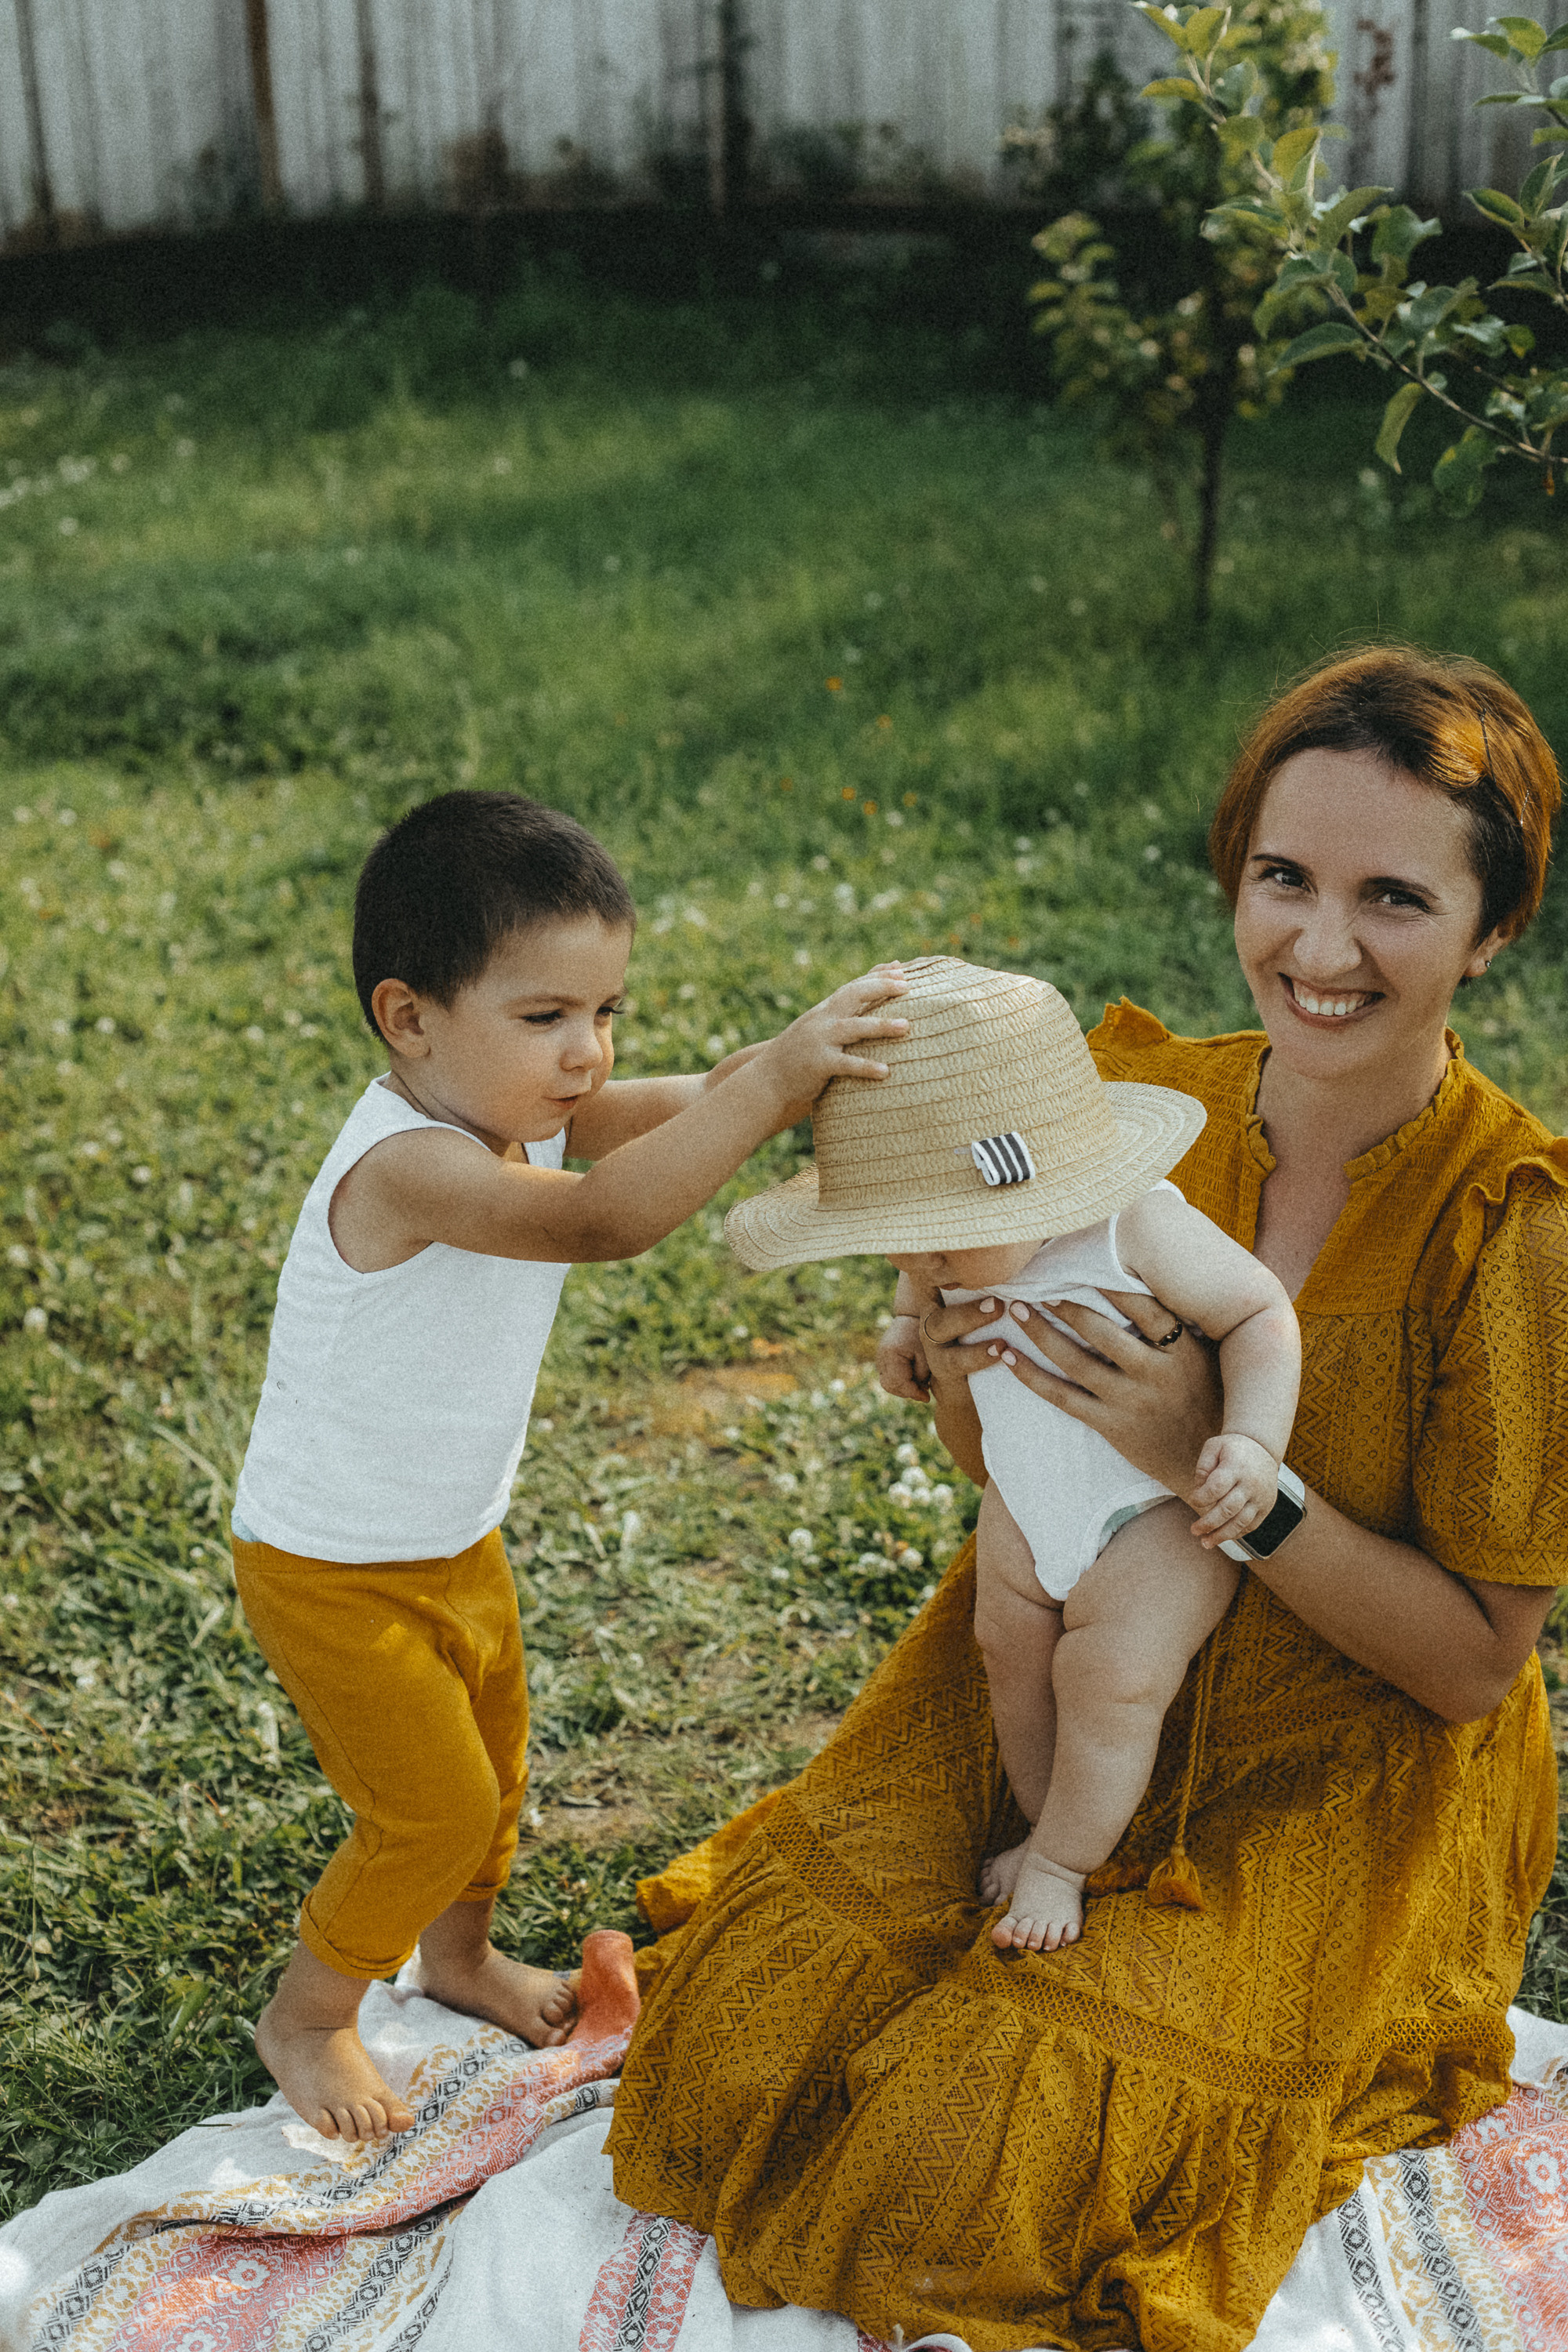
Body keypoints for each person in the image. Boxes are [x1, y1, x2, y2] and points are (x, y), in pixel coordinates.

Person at [608, 647, 1567, 2352]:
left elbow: (1472, 1671)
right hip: (1045, 1651)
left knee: (968, 2156)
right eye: (1283, 879)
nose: (1319, 950)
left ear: (1493, 932)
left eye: (1394, 900)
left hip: (1333, 1751)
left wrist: (1234, 1468)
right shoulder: (1129, 1110)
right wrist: (953, 1358)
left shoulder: (1515, 1223)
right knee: (739, 2040)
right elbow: (1002, 1467)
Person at [229, 789, 909, 2145]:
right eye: (547, 1019)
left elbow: (693, 1107)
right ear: (410, 1019)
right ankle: (308, 2013)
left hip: (450, 1536)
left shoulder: (524, 1104)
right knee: (429, 1810)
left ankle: (460, 1960)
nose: (588, 1055)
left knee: (494, 1777)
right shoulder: (412, 1163)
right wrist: (770, 1085)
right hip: (329, 1565)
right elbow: (606, 1221)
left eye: (607, 1013)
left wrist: (782, 1079)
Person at [724, 957, 1300, 1957]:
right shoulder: (935, 1259)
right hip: (1025, 1506)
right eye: (893, 1249)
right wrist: (908, 1328)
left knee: (1111, 1675)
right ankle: (1046, 1822)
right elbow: (930, 1302)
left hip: (1150, 1515)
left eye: (932, 1246)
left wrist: (1248, 1441)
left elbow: (1258, 1312)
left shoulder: (1133, 1227)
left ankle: (1065, 1863)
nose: (916, 1268)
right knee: (1011, 1654)